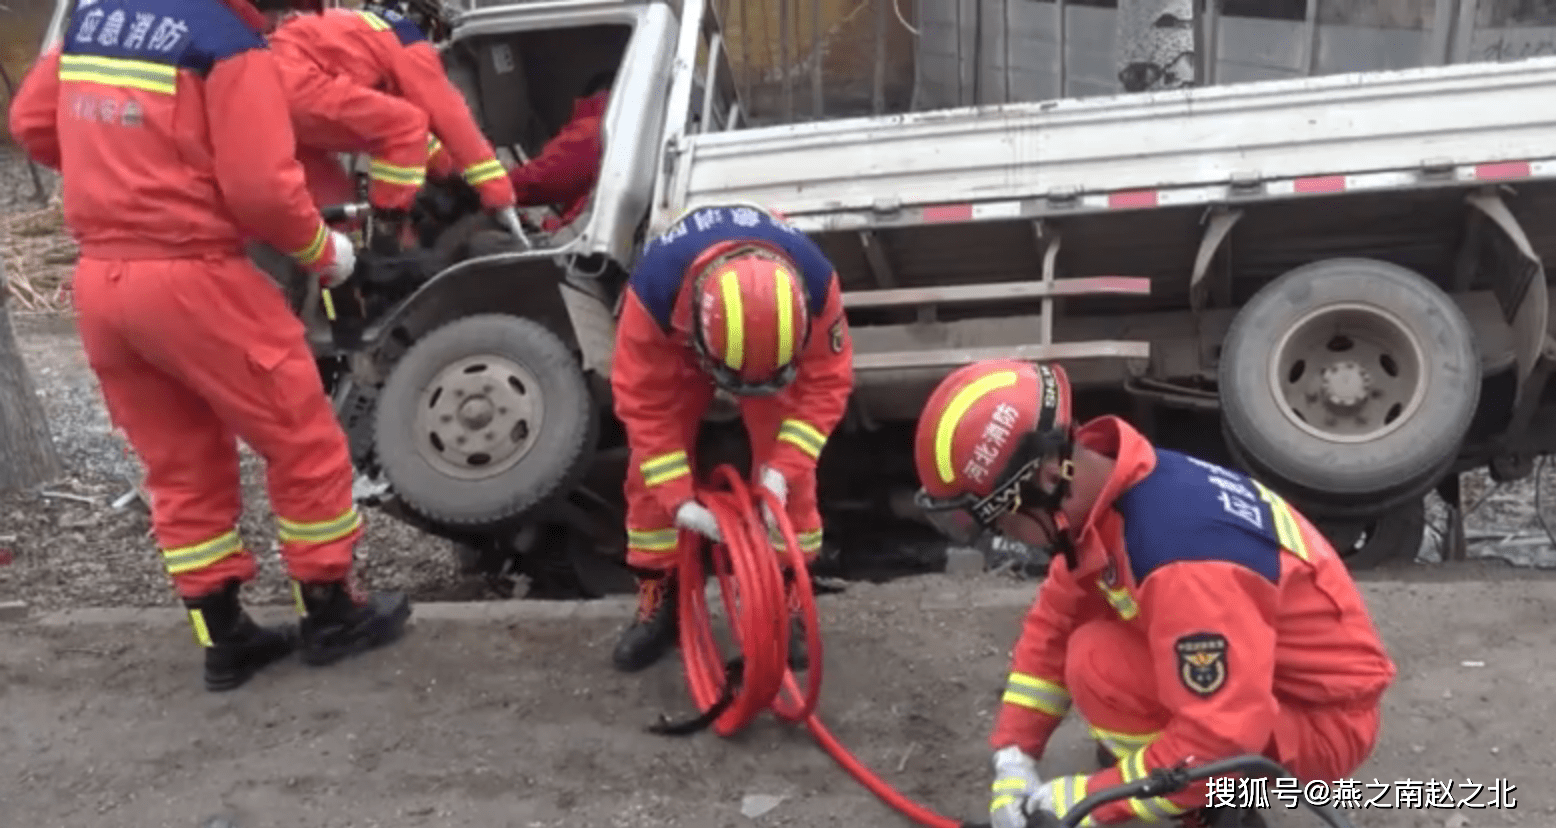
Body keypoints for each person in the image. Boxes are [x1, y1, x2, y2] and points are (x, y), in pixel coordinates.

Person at [8, 0, 412, 693]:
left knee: (180, 463)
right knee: (303, 440)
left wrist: (122, 168)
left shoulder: (95, 21)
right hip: (195, 277)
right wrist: (328, 254)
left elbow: (33, 125)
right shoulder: (224, 41)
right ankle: (331, 611)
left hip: (102, 282)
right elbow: (260, 190)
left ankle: (222, 637)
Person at [909, 360, 1397, 828]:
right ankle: (1163, 772)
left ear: (1047, 480)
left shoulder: (1182, 556)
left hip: (1322, 721)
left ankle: (1210, 808)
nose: (1008, 536)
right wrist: (1014, 755)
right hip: (1273, 683)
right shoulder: (1111, 502)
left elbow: (1223, 734)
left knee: (1101, 665)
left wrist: (1095, 800)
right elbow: (1053, 628)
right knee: (1084, 649)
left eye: (1001, 519)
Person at [609, 202, 855, 673]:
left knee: (790, 466)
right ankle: (662, 597)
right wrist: (678, 501)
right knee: (649, 477)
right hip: (679, 331)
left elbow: (825, 385)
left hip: (748, 339)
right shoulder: (654, 293)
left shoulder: (818, 288)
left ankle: (786, 599)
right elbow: (646, 407)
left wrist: (784, 471)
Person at [266, 0, 516, 251]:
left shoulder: (356, 33)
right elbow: (449, 114)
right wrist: (496, 189)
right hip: (297, 83)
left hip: (274, 93)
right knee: (406, 127)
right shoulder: (406, 40)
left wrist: (452, 175)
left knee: (335, 216)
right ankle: (387, 234)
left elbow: (425, 143)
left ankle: (345, 268)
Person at [504, 70, 612, 232]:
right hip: (588, 232)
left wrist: (491, 186)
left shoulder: (594, 130)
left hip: (578, 239)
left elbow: (539, 181)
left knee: (481, 244)